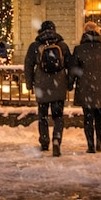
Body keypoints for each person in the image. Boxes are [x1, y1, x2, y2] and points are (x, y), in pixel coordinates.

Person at [68, 21, 101, 153]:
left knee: (87, 117)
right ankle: (99, 141)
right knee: (99, 116)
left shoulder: (79, 49)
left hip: (84, 87)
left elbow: (73, 69)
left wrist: (69, 84)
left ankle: (90, 145)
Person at [23, 20, 72, 157]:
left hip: (41, 85)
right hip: (59, 84)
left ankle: (44, 141)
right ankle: (56, 139)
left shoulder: (35, 46)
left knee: (42, 116)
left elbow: (28, 65)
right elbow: (70, 65)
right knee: (58, 116)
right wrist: (69, 82)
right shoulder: (62, 45)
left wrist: (29, 83)